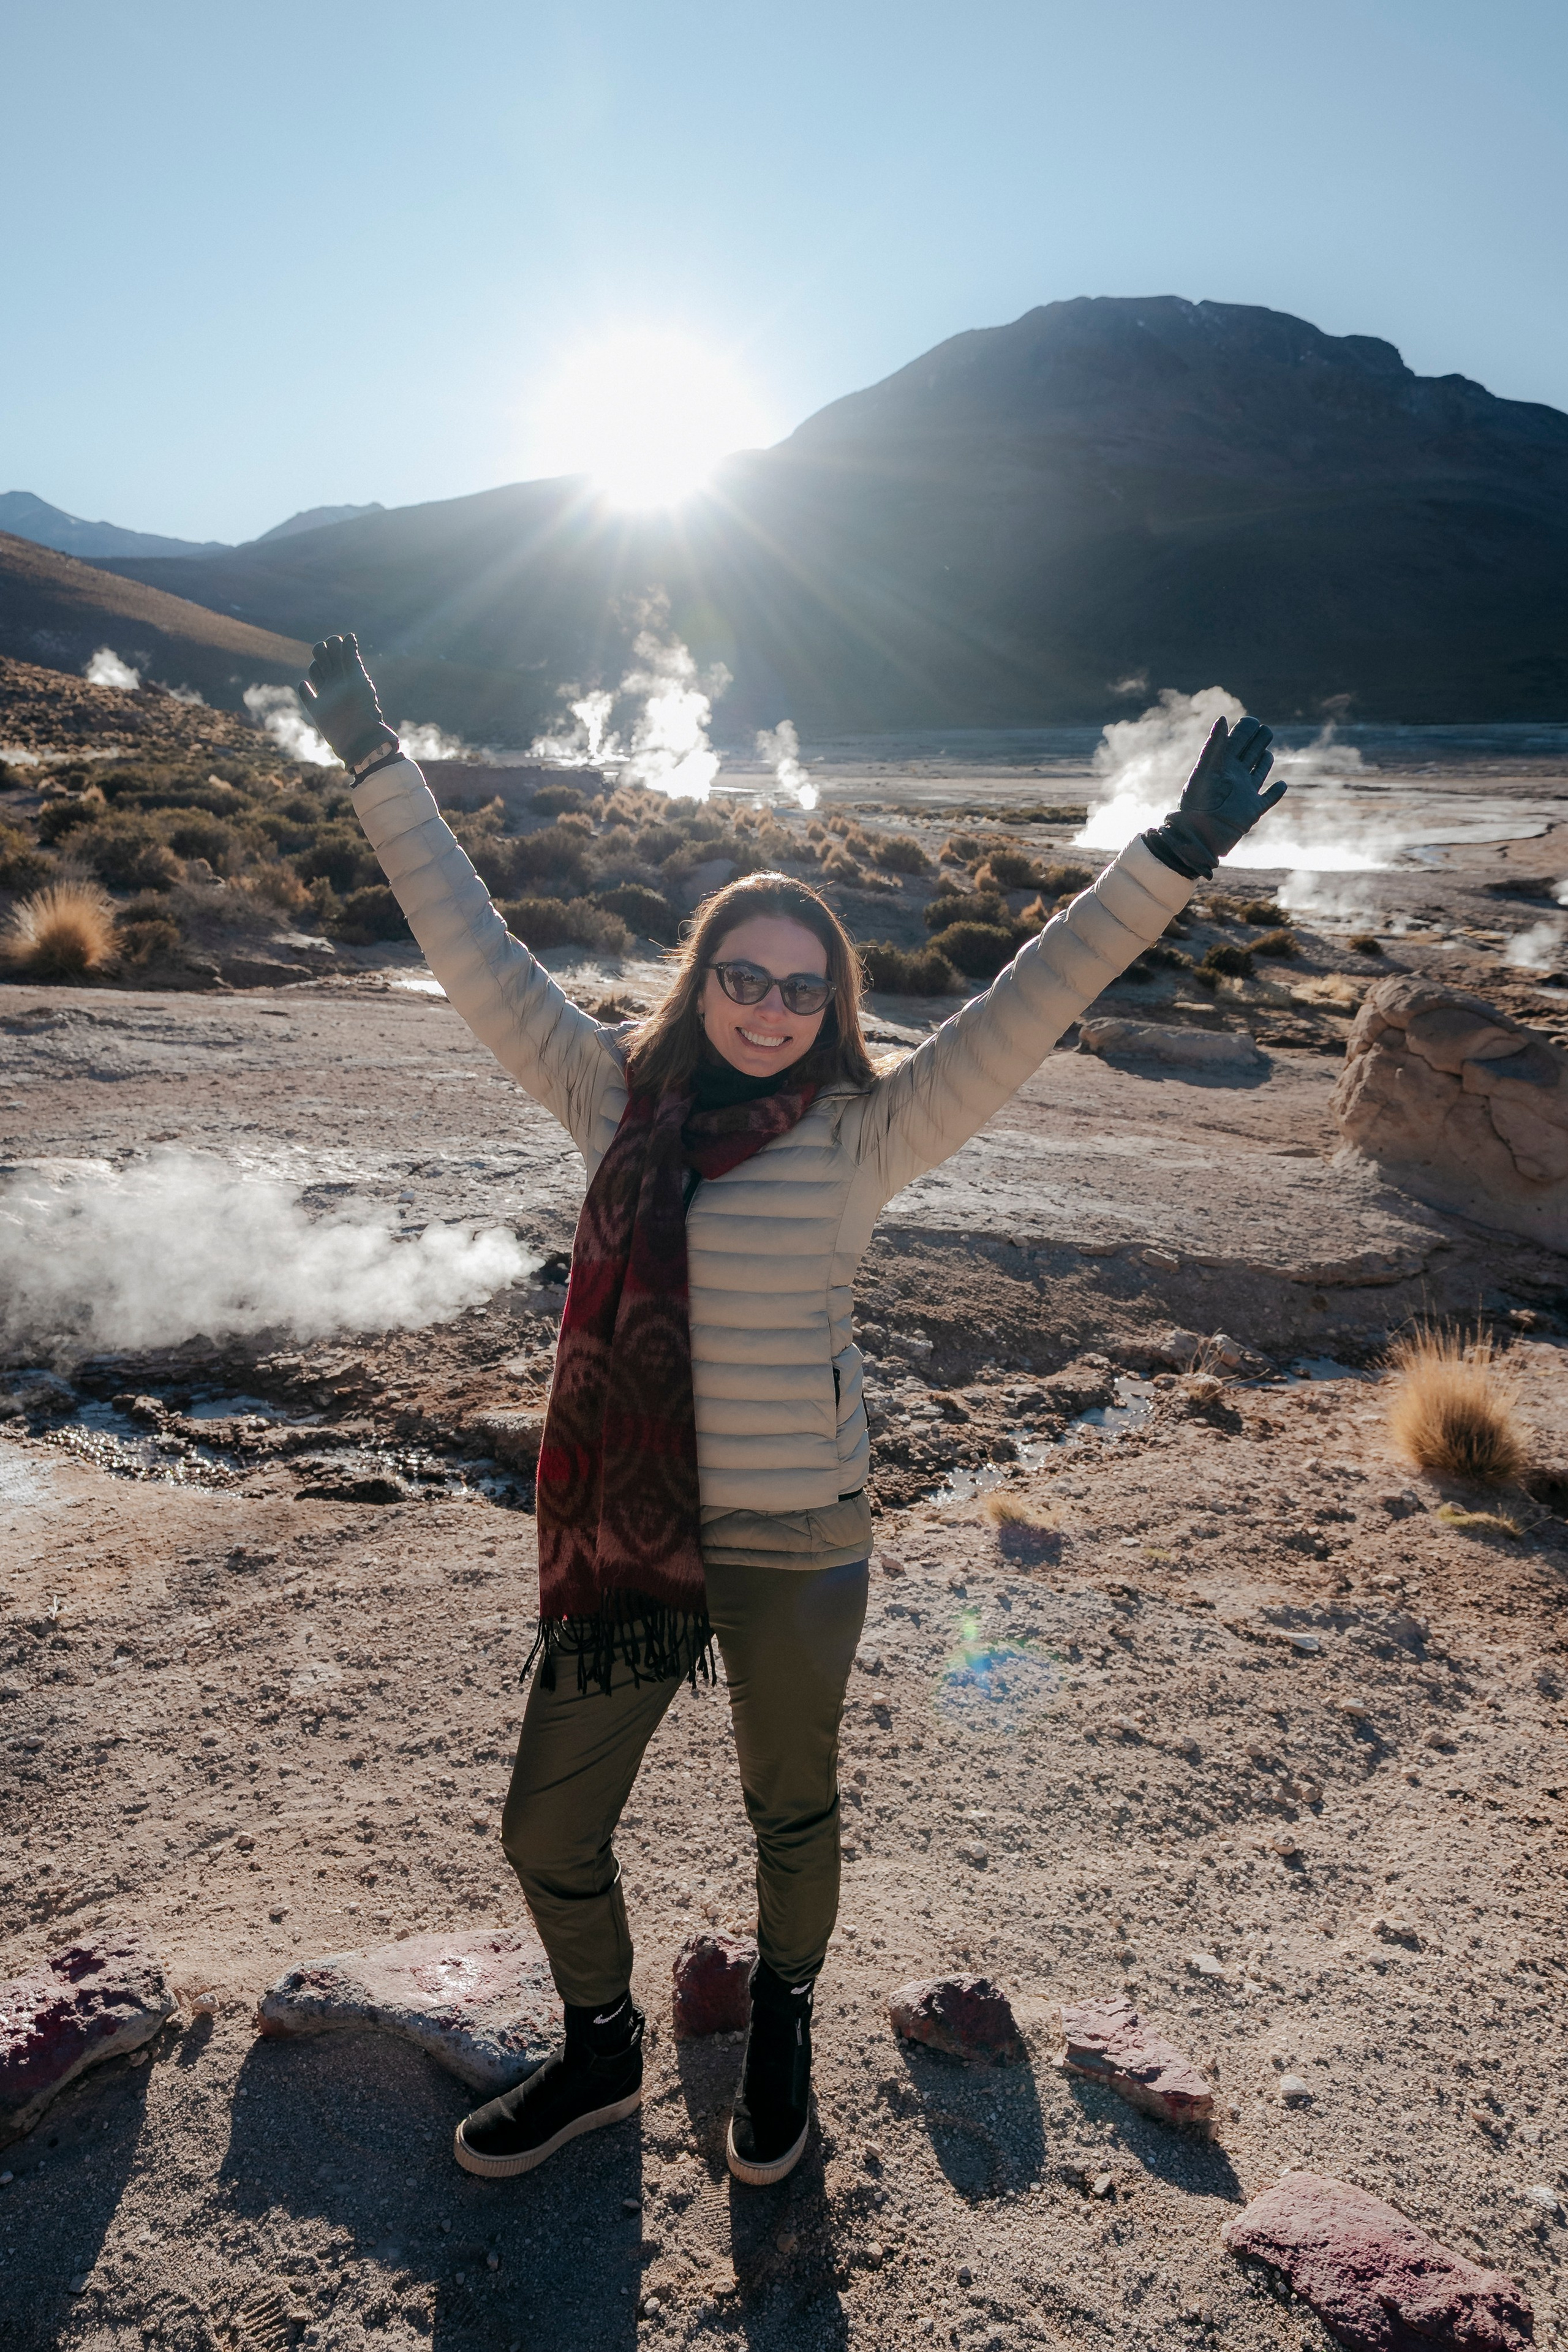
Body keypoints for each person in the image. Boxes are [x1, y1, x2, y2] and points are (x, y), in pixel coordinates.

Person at [297, 636, 1284, 2187]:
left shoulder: (862, 1133)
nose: (767, 1008)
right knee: (544, 1830)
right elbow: (475, 942)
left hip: (798, 1541)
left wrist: (1170, 854)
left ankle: (781, 2035)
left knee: (790, 1816)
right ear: (704, 981)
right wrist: (373, 761)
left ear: (832, 1009)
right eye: (744, 980)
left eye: (799, 990)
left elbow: (1034, 999)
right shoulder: (611, 1096)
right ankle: (604, 2050)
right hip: (634, 1540)